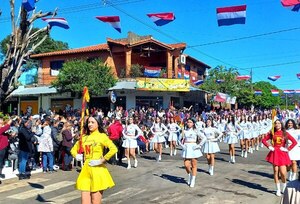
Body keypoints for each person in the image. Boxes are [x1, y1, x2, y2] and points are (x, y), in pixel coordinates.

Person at [71, 115, 117, 204]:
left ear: (98, 124)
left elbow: (113, 149)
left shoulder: (102, 136)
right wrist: (76, 155)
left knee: (95, 202)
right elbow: (73, 149)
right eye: (88, 122)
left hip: (97, 171)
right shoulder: (84, 137)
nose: (90, 124)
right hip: (85, 171)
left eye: (93, 122)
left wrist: (102, 160)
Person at [262, 119, 298, 197]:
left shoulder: (285, 133)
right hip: (274, 153)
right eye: (276, 123)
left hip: (282, 153)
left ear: (281, 125)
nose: (277, 125)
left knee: (283, 173)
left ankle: (284, 187)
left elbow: (294, 142)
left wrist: (287, 149)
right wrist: (269, 146)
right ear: (274, 125)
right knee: (275, 171)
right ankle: (278, 189)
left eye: (279, 123)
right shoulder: (272, 133)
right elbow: (264, 140)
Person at [179, 118, 206, 188]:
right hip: (187, 147)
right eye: (188, 122)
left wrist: (199, 145)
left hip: (193, 147)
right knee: (186, 164)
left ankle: (193, 179)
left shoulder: (196, 131)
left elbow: (204, 138)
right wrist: (182, 145)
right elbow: (178, 139)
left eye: (190, 122)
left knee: (194, 164)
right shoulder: (184, 131)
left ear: (193, 123)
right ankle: (190, 175)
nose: (189, 123)